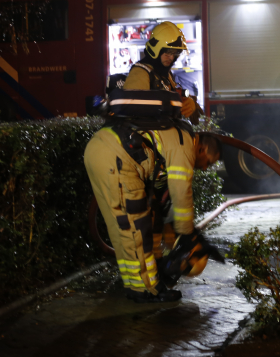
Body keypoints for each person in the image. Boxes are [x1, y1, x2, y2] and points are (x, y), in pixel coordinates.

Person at [84, 108, 222, 303]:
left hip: (97, 149)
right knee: (137, 230)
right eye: (208, 162)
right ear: (201, 149)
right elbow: (181, 192)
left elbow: (157, 194)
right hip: (119, 159)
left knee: (121, 226)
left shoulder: (174, 134)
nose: (205, 168)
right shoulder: (185, 144)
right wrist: (188, 234)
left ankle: (135, 286)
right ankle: (152, 290)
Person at [124, 21, 197, 119]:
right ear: (156, 50)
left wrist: (189, 102)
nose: (171, 58)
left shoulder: (164, 73)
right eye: (168, 53)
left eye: (175, 53)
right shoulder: (140, 73)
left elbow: (173, 97)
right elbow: (133, 111)